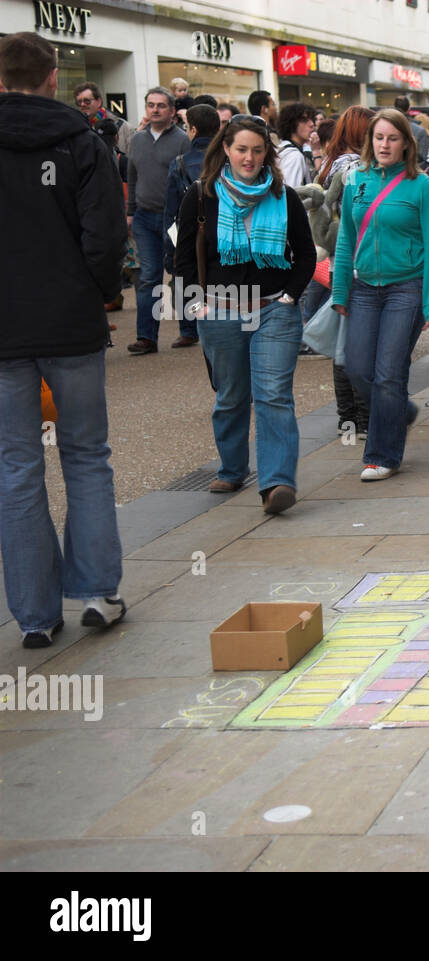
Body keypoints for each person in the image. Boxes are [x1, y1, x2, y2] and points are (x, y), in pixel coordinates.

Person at [0, 32, 129, 648]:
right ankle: (99, 592)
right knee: (85, 454)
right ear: (54, 78)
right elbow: (106, 237)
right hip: (70, 322)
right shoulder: (83, 142)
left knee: (16, 466)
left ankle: (34, 614)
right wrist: (97, 291)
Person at [173, 116, 314, 512]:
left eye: (257, 150)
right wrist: (196, 305)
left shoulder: (284, 197)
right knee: (232, 396)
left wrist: (290, 297)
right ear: (226, 150)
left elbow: (304, 253)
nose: (249, 158)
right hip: (220, 311)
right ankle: (233, 468)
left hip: (274, 310)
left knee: (273, 395)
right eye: (241, 149)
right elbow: (183, 260)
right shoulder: (201, 196)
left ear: (267, 153)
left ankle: (277, 484)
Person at [332, 108, 429, 481]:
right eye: (378, 137)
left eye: (392, 138)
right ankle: (400, 412)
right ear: (370, 141)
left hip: (406, 288)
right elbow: (347, 238)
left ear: (405, 144)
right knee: (357, 368)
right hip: (364, 288)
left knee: (387, 374)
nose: (384, 144)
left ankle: (382, 455)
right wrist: (341, 291)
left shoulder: (422, 186)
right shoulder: (355, 182)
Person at [310, 105, 375, 435]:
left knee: (344, 344)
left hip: (337, 263)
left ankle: (348, 417)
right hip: (358, 265)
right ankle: (360, 419)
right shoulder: (355, 168)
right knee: (356, 346)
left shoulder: (327, 166)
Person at [124, 86, 189, 355]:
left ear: (172, 111)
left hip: (173, 218)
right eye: (151, 105)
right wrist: (130, 211)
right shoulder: (137, 140)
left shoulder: (182, 140)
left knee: (181, 274)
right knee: (149, 277)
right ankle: (146, 338)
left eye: (161, 105)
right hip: (143, 217)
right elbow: (132, 176)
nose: (155, 109)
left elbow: (188, 180)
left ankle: (189, 330)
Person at [162, 103, 220, 348]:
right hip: (220, 231)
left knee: (186, 276)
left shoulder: (180, 163)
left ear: (193, 129)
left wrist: (171, 250)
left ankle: (188, 328)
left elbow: (171, 212)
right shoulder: (227, 160)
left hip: (190, 230)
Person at [275, 101, 316, 188]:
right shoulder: (294, 156)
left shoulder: (283, 148)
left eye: (312, 119)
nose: (312, 124)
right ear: (291, 124)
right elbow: (292, 194)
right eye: (304, 120)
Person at [394, 96, 429, 161]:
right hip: (413, 169)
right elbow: (423, 156)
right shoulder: (420, 131)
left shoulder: (386, 127)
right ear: (409, 109)